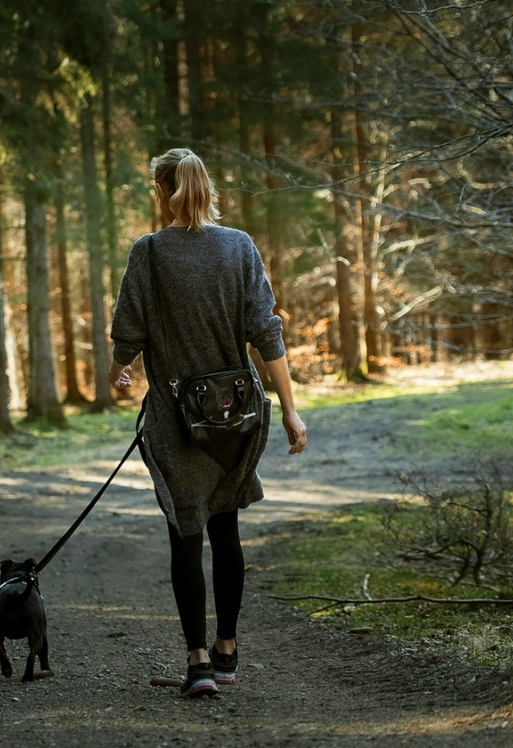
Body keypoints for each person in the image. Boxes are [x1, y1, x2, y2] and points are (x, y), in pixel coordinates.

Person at [108, 147, 307, 699]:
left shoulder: (148, 254)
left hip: (176, 418)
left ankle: (196, 662)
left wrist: (118, 373)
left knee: (185, 533)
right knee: (227, 530)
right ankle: (226, 649)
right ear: (205, 188)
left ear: (160, 191)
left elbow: (129, 332)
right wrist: (289, 407)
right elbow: (266, 332)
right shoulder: (239, 247)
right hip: (238, 414)